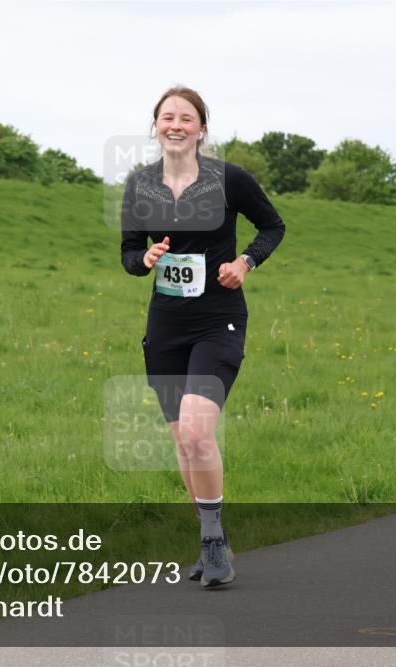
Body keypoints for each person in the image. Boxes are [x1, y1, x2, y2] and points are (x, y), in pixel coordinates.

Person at [120, 86, 285, 587]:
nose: (176, 124)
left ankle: (213, 540)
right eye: (166, 116)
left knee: (197, 432)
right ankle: (211, 538)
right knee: (182, 442)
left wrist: (244, 262)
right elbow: (129, 254)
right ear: (155, 126)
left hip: (219, 319)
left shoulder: (228, 178)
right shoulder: (140, 186)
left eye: (186, 117)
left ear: (201, 128)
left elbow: (272, 226)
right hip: (166, 326)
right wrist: (145, 259)